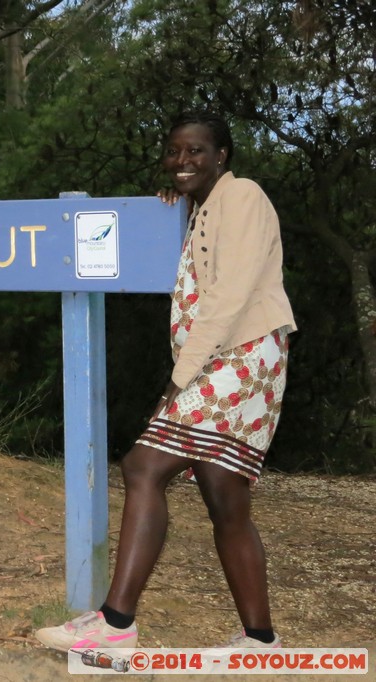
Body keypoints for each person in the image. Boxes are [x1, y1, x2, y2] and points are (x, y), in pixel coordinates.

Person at [36, 111, 296, 651]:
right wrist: (173, 210)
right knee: (224, 496)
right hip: (229, 356)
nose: (182, 161)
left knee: (143, 465)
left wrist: (180, 378)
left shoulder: (243, 195)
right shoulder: (203, 207)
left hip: (240, 355)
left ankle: (116, 622)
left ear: (221, 155)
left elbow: (231, 293)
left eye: (196, 151)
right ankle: (260, 638)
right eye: (175, 151)